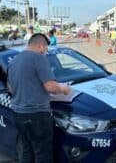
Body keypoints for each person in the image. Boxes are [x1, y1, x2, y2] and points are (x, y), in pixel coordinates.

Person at [8, 33, 71, 163]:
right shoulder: (39, 58)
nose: (45, 52)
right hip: (37, 116)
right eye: (45, 49)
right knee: (43, 154)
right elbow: (50, 86)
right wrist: (64, 89)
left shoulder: (14, 60)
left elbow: (11, 88)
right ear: (40, 45)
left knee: (27, 151)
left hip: (18, 114)